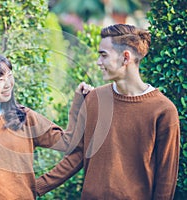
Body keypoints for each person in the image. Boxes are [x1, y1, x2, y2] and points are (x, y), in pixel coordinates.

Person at [36, 24, 180, 199]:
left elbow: (166, 180)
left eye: (103, 55)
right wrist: (34, 188)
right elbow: (77, 155)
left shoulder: (163, 110)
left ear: (125, 58)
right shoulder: (95, 99)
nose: (98, 62)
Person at [0, 49, 93, 199]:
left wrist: (79, 102)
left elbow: (70, 143)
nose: (8, 84)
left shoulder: (24, 117)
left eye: (10, 76)